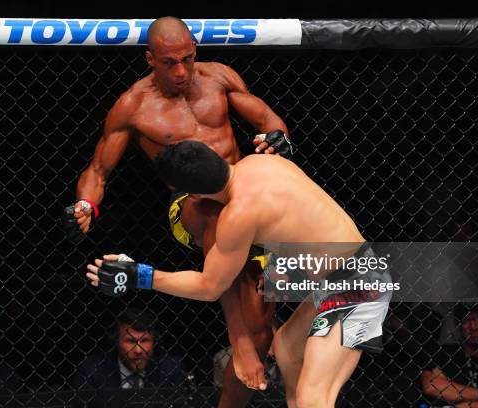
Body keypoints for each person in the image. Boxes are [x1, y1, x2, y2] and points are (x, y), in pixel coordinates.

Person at [62, 16, 290, 404]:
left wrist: (278, 138)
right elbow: (98, 170)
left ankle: (245, 351)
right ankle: (238, 339)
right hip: (192, 207)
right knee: (217, 219)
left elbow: (268, 120)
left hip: (243, 194)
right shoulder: (133, 106)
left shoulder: (219, 77)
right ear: (150, 58)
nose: (181, 71)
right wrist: (85, 205)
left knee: (262, 330)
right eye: (169, 62)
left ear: (195, 50)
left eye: (186, 58)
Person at [86, 141, 393, 408]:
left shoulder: (239, 214)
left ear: (192, 195)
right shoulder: (263, 162)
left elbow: (209, 287)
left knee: (314, 396)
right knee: (287, 348)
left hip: (358, 284)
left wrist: (142, 275)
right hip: (342, 275)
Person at [421, 304, 478, 408]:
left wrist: (468, 405)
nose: (472, 326)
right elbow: (431, 386)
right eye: (466, 320)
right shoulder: (446, 354)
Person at [77, 308, 186, 389]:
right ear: (116, 341)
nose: (138, 350)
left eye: (145, 341)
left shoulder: (171, 368)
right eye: (130, 341)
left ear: (154, 342)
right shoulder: (92, 370)